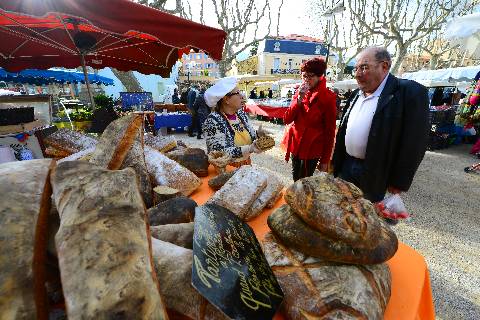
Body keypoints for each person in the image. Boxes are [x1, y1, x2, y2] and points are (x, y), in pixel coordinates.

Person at [332, 46, 430, 204]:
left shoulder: (409, 93)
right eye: (356, 69)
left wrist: (399, 181)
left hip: (374, 170)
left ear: (384, 66)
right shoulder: (357, 94)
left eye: (364, 67)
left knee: (365, 219)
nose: (357, 74)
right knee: (341, 211)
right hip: (346, 166)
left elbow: (415, 142)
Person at [282, 57, 337, 181]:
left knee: (306, 183)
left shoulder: (328, 98)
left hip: (312, 149)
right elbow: (286, 119)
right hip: (296, 145)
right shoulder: (299, 92)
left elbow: (330, 132)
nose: (306, 80)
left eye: (310, 76)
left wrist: (325, 160)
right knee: (296, 179)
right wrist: (299, 99)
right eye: (304, 76)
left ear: (320, 76)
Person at [203, 77, 270, 167]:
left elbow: (249, 137)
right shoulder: (212, 121)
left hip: (245, 164)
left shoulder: (240, 114)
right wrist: (249, 149)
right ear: (226, 99)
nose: (242, 96)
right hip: (226, 168)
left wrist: (258, 134)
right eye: (237, 93)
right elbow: (219, 153)